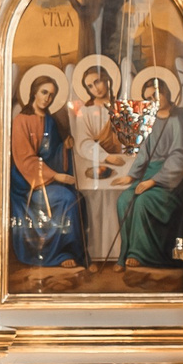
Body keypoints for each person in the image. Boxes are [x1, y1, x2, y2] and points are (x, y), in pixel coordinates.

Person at [115, 72, 183, 274]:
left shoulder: (178, 118)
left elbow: (179, 157)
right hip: (149, 174)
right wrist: (131, 176)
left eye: (155, 96)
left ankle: (139, 254)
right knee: (124, 200)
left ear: (166, 93)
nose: (153, 101)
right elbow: (144, 151)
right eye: (148, 99)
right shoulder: (150, 118)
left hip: (171, 180)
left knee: (142, 202)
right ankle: (125, 252)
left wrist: (153, 182)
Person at [10, 72, 82, 270]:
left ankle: (70, 251)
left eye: (51, 95)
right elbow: (26, 159)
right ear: (34, 92)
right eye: (44, 92)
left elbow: (53, 154)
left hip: (46, 177)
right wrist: (56, 176)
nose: (47, 98)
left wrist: (64, 147)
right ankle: (60, 253)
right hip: (26, 183)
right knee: (67, 199)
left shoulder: (50, 120)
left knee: (75, 197)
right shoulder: (21, 121)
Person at [68, 62, 128, 265]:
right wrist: (105, 157)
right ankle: (97, 255)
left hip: (123, 166)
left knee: (120, 203)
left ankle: (120, 254)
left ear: (108, 80)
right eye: (90, 86)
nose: (96, 88)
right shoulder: (85, 112)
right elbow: (82, 143)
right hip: (96, 165)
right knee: (95, 207)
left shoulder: (121, 109)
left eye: (98, 81)